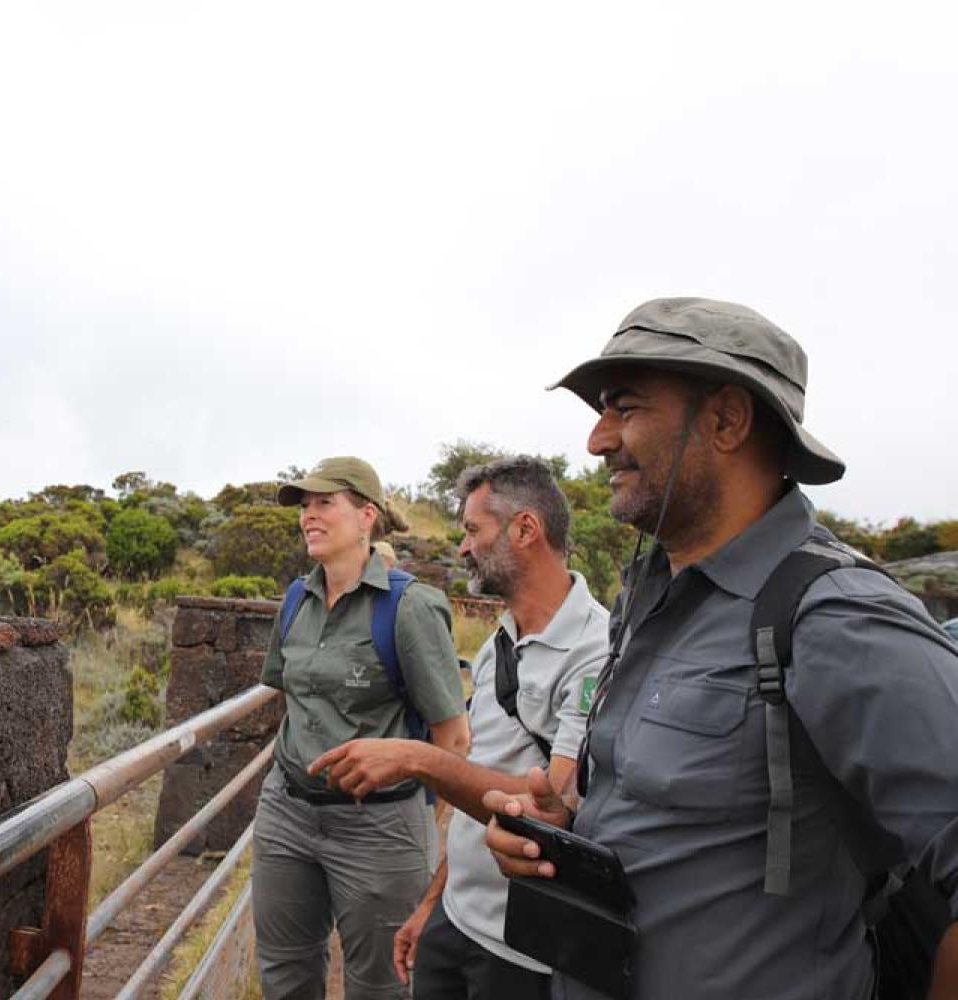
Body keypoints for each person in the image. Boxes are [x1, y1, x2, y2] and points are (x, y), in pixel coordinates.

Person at [482, 297, 958, 998]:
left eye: (626, 407)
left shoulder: (840, 619)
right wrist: (570, 828)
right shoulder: (648, 596)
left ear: (727, 419)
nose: (597, 440)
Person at [310, 456, 608, 1000]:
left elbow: (553, 808)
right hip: (458, 919)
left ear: (525, 529)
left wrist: (417, 758)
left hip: (523, 949)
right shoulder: (500, 640)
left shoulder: (596, 652)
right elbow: (480, 780)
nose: (464, 547)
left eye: (473, 530)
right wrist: (433, 903)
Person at [254, 456, 469, 1000]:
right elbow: (292, 696)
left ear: (366, 516)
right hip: (287, 811)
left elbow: (453, 739)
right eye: (305, 506)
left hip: (378, 826)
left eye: (325, 503)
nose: (309, 516)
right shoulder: (296, 599)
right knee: (284, 972)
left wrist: (422, 826)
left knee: (381, 985)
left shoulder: (410, 608)